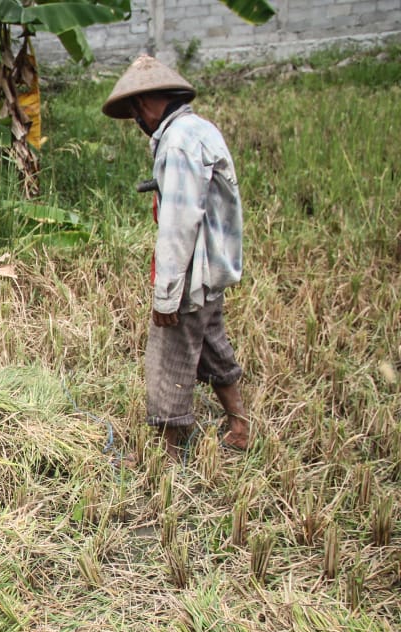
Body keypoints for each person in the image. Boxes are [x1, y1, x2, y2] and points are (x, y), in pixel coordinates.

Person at [102, 55, 251, 458]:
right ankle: (239, 425)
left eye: (135, 112)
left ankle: (170, 456)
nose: (137, 121)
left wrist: (166, 294)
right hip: (211, 269)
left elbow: (179, 224)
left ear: (145, 104)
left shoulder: (178, 142)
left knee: (168, 359)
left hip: (189, 270)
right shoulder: (199, 128)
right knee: (211, 342)